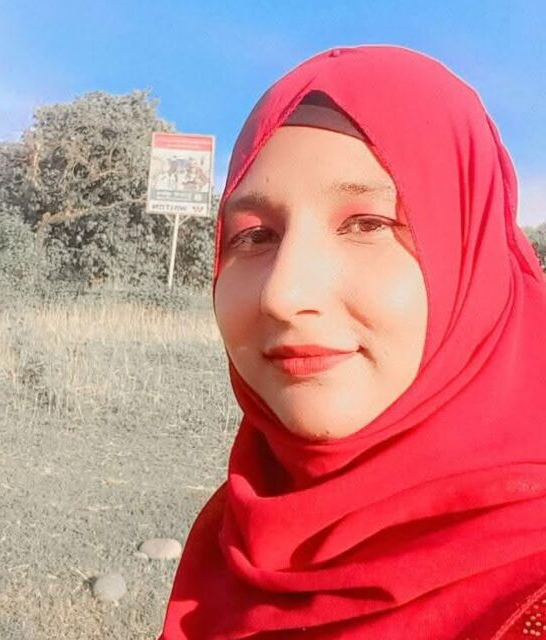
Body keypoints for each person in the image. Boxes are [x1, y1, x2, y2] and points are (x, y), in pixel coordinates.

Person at [159, 45, 546, 639]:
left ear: (473, 258)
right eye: (255, 235)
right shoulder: (230, 543)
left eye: (367, 224)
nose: (282, 295)